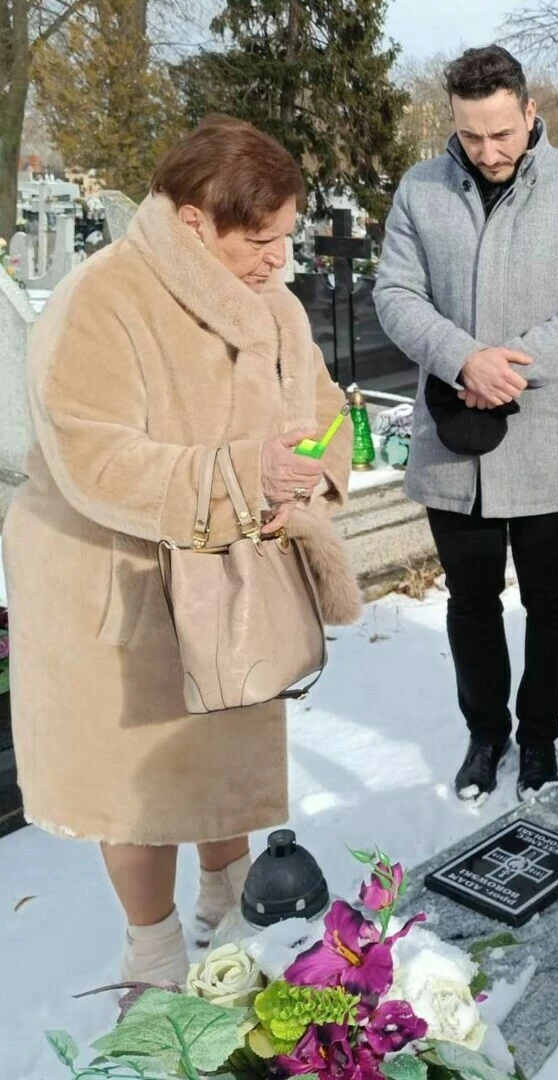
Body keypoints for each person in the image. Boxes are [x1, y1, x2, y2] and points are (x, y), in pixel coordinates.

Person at [0, 117, 362, 984]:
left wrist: (306, 475)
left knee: (222, 754)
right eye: (260, 240)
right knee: (138, 786)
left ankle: (227, 898)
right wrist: (240, 476)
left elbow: (322, 411)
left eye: (285, 238)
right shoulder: (103, 299)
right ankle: (152, 947)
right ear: (194, 218)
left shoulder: (272, 303)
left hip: (234, 579)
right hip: (115, 586)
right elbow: (94, 458)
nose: (279, 260)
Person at [375, 45, 558, 803]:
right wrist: (463, 359)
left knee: (550, 601)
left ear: (529, 111)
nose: (487, 152)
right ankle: (485, 734)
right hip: (453, 439)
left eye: (501, 134)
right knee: (470, 600)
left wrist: (512, 366)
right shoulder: (421, 189)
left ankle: (540, 736)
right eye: (470, 135)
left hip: (546, 438)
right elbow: (395, 294)